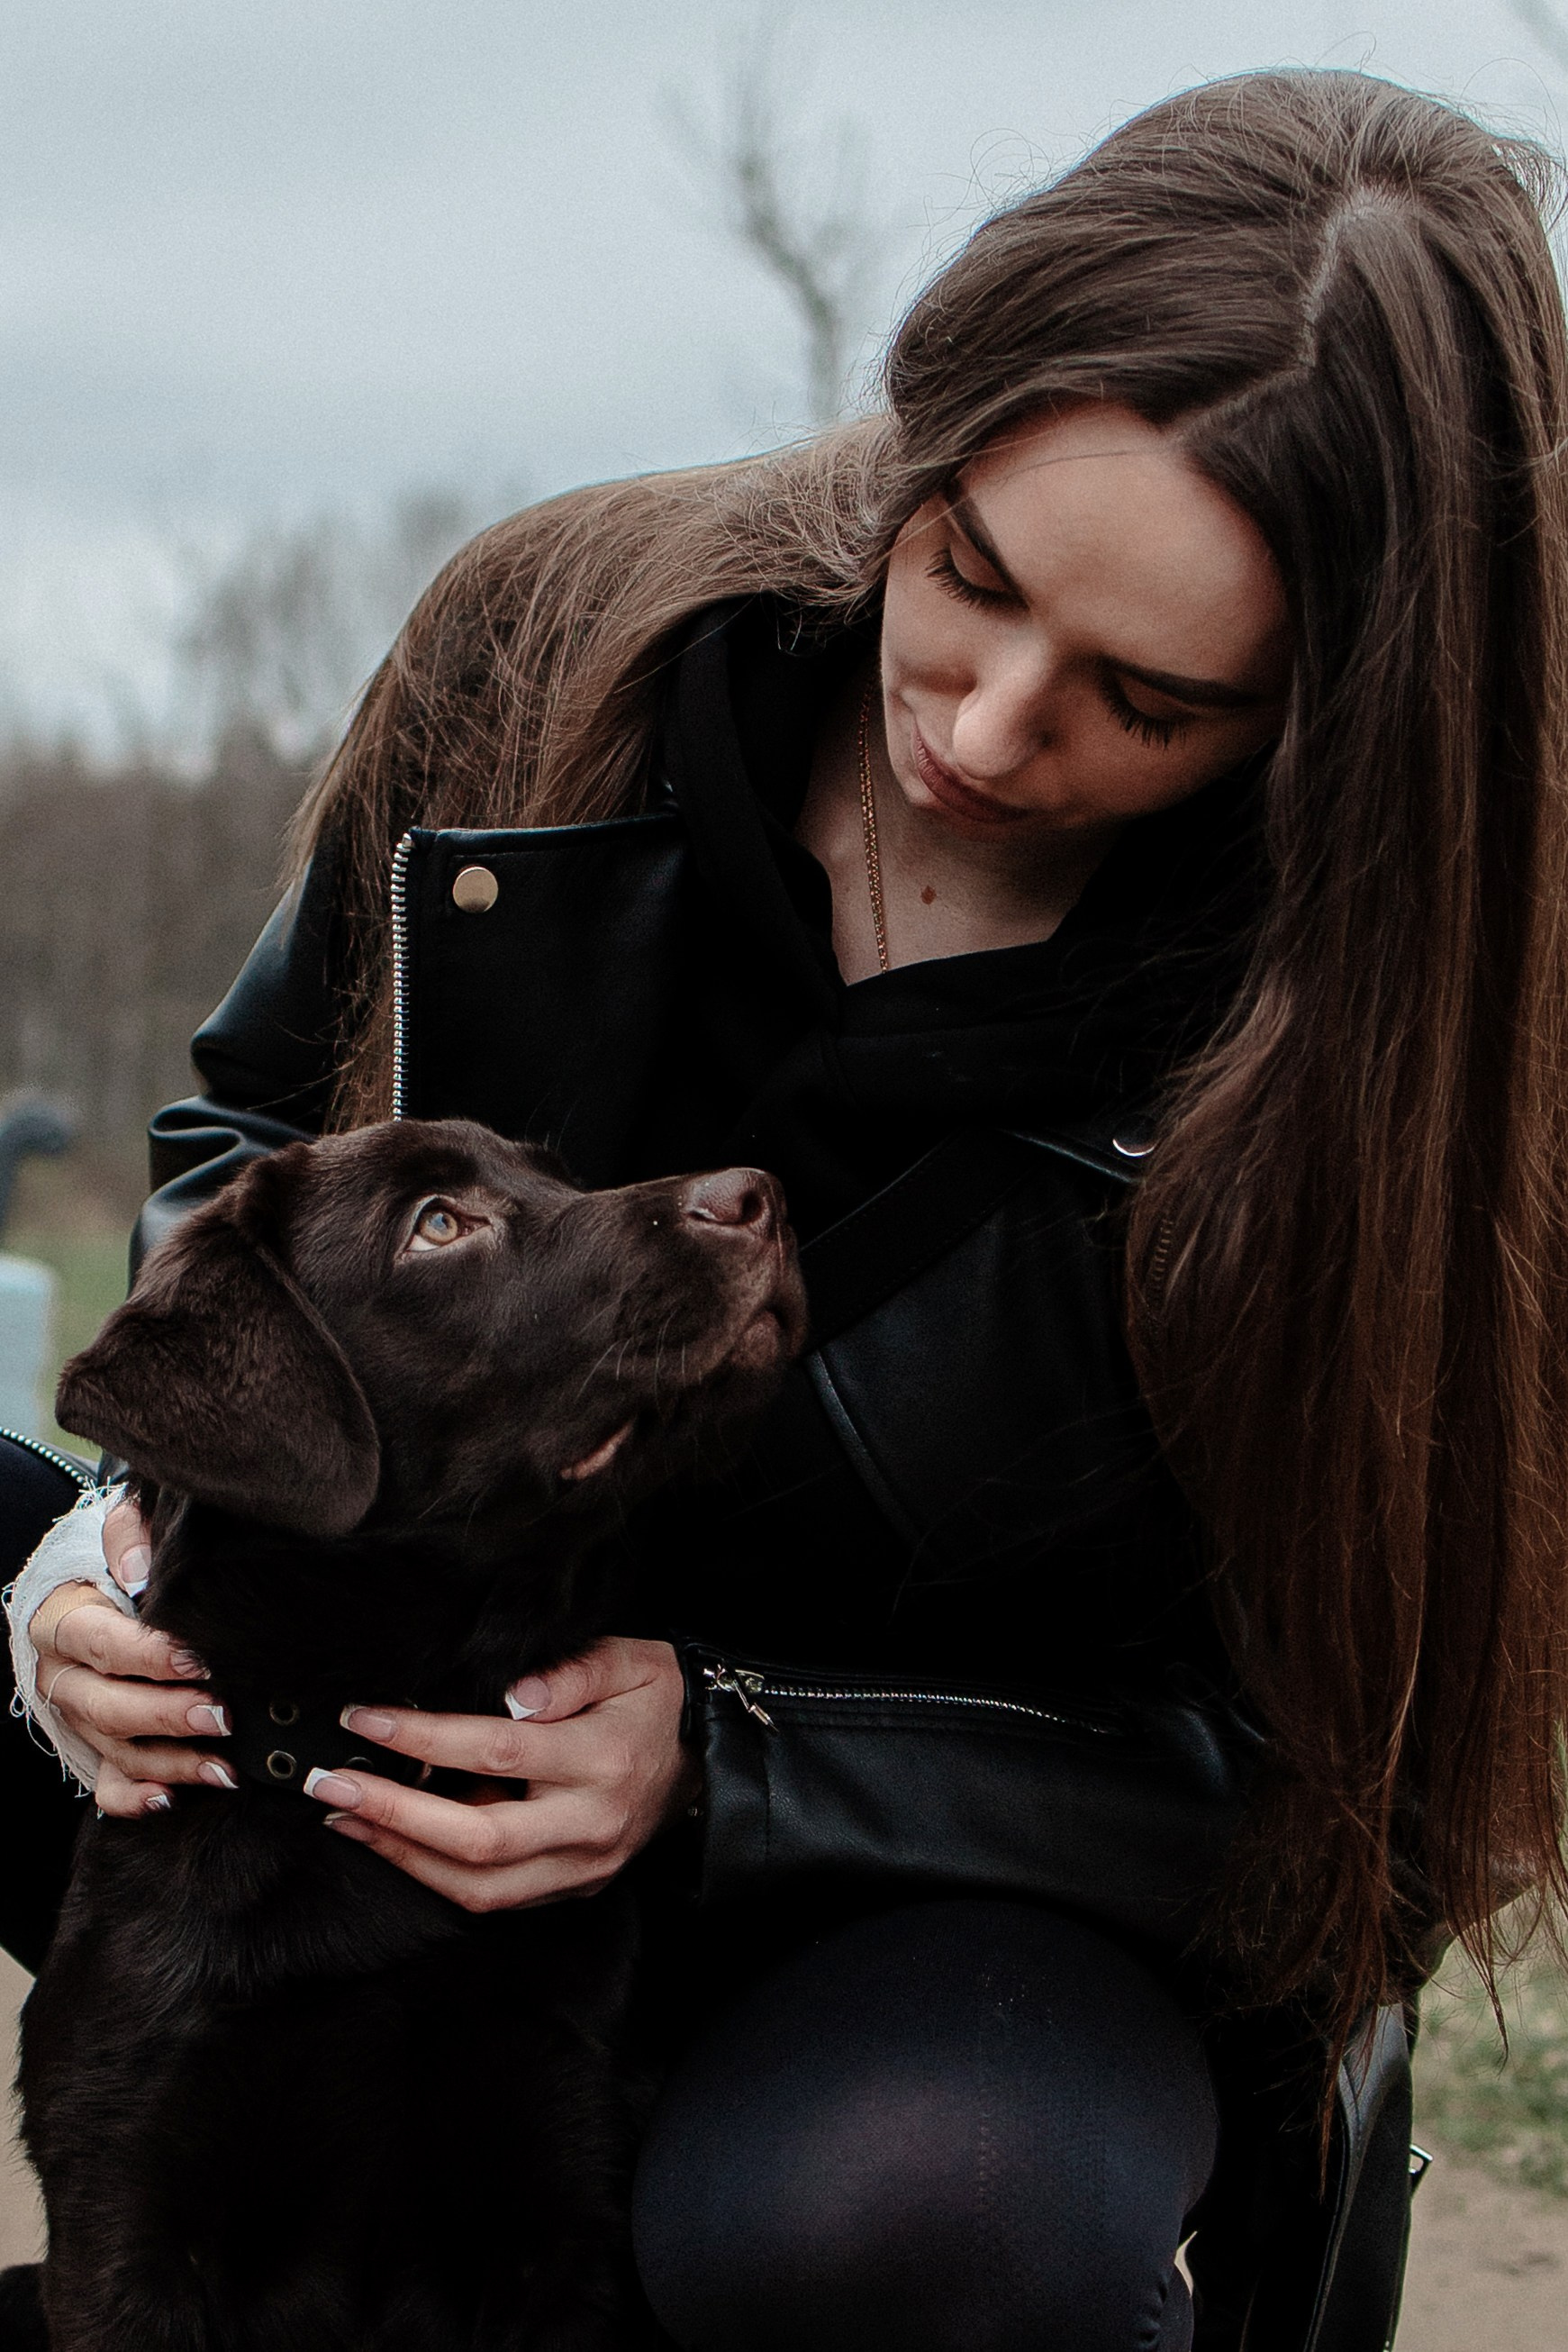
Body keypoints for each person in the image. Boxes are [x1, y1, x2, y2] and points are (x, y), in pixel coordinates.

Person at [9, 67, 1568, 2352]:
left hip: (909, 1915)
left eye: (1140, 695)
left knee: (917, 2208)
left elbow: (1362, 1808)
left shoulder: (1386, 1045)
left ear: (1330, 716)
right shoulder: (557, 638)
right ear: (920, 443)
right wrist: (98, 1563)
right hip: (357, 1727)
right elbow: (247, 1154)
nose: (983, 722)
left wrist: (740, 1760)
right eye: (967, 574)